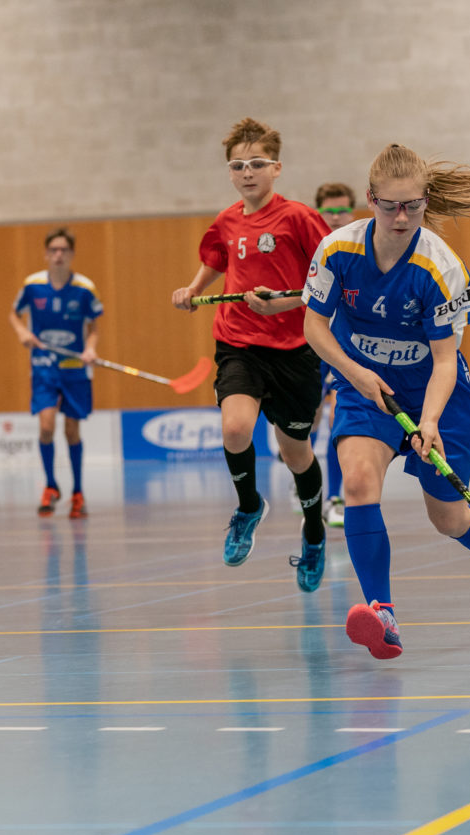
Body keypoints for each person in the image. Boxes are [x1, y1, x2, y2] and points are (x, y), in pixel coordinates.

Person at [301, 143, 470, 661]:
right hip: (364, 387)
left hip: (438, 397)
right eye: (390, 206)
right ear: (370, 199)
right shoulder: (337, 251)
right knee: (356, 481)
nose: (402, 218)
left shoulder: (441, 267)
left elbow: (447, 361)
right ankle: (382, 612)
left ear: (425, 201)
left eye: (413, 206)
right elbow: (314, 325)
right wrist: (356, 373)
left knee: (445, 518)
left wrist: (428, 423)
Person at [170, 117, 332, 592]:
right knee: (236, 428)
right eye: (238, 165)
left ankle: (316, 534)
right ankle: (248, 507)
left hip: (296, 349)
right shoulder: (227, 220)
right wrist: (193, 289)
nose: (247, 172)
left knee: (295, 452)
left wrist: (286, 301)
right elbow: (217, 258)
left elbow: (329, 275)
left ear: (276, 168)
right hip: (239, 342)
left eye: (257, 163)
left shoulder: (299, 217)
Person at [9, 227, 102, 519]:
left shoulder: (85, 289)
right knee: (46, 426)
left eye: (64, 250)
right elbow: (14, 313)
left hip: (74, 370)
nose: (58, 255)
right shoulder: (33, 285)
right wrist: (23, 332)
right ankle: (50, 486)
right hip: (44, 368)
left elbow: (93, 328)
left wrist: (90, 349)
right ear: (46, 254)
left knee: (72, 430)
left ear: (72, 254)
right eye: (54, 250)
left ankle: (77, 492)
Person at [313, 181, 358, 528]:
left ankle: (335, 497)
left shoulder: (362, 246)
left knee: (334, 418)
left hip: (343, 344)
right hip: (308, 343)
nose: (336, 216)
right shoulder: (309, 244)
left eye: (342, 209)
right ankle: (305, 481)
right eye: (329, 210)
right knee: (310, 419)